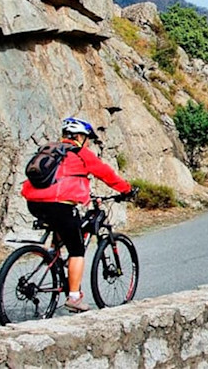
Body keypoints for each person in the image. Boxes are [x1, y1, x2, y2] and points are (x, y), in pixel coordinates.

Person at [21, 117, 133, 312]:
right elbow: (106, 174)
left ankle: (54, 257)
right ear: (79, 137)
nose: (88, 142)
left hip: (34, 203)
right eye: (87, 138)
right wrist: (127, 190)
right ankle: (74, 297)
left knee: (63, 228)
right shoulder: (81, 154)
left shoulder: (49, 149)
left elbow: (61, 178)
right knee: (76, 249)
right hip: (59, 205)